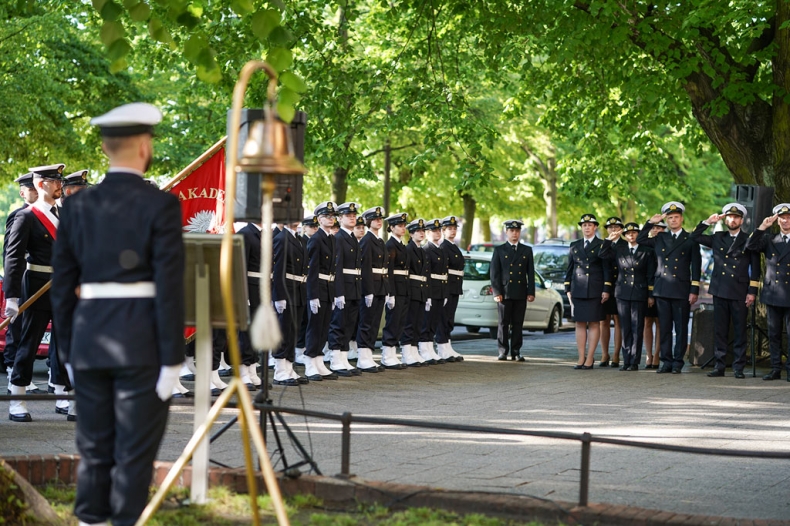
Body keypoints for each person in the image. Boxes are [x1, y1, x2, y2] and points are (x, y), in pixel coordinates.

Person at [50, 102, 185, 526]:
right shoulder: (161, 205)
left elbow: (61, 287)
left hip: (90, 341)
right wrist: (173, 358)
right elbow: (168, 286)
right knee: (134, 452)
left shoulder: (75, 206)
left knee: (93, 447)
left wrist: (68, 348)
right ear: (144, 147)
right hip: (142, 343)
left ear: (107, 150)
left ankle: (90, 519)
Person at [5, 163, 73, 422]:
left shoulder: (64, 214)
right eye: (56, 181)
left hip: (64, 285)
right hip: (37, 284)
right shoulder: (26, 217)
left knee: (65, 343)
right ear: (41, 184)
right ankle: (17, 398)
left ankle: (62, 393)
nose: (60, 185)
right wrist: (11, 298)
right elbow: (13, 259)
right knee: (29, 344)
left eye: (60, 181)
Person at [691, 203, 759, 378]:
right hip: (720, 289)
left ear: (741, 220)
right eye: (729, 217)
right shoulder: (718, 236)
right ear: (725, 219)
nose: (733, 219)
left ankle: (738, 367)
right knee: (719, 330)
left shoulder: (748, 238)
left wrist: (752, 291)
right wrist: (708, 221)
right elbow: (694, 237)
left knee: (739, 331)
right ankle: (719, 366)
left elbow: (755, 267)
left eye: (736, 217)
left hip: (739, 290)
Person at [637, 202, 701, 374]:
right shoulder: (659, 237)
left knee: (680, 328)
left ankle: (678, 361)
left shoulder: (690, 239)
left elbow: (696, 266)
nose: (673, 220)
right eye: (670, 217)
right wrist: (650, 223)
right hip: (662, 288)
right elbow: (640, 239)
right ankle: (666, 361)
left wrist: (694, 290)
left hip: (681, 289)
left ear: (682, 218)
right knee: (664, 327)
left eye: (676, 217)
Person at [3, 172, 45, 395]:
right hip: (23, 277)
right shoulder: (19, 215)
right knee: (18, 327)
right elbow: (11, 253)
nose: (36, 192)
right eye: (31, 189)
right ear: (22, 193)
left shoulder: (48, 215)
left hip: (41, 279)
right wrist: (13, 285)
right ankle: (12, 368)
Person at [600, 222, 656, 370]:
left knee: (637, 327)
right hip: (622, 292)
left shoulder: (647, 251)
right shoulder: (619, 249)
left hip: (639, 291)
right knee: (625, 327)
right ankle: (626, 360)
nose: (631, 235)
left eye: (634, 233)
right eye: (628, 233)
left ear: (638, 234)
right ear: (624, 235)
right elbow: (602, 254)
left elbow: (650, 274)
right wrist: (608, 240)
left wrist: (651, 294)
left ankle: (635, 361)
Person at [745, 203, 790, 381]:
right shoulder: (769, 239)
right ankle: (775, 368)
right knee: (774, 333)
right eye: (782, 218)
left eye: (788, 218)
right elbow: (750, 246)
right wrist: (763, 227)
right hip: (773, 293)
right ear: (777, 220)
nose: (785, 220)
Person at [565, 214, 611, 369]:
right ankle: (580, 357)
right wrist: (567, 288)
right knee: (579, 323)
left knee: (593, 323)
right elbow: (570, 269)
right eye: (584, 225)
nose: (587, 227)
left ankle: (590, 357)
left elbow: (607, 269)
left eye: (590, 225)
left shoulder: (602, 244)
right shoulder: (574, 245)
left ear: (595, 227)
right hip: (578, 289)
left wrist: (606, 289)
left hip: (595, 289)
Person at [490, 220, 536, 361]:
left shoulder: (526, 250)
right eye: (511, 231)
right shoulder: (499, 250)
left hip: (520, 291)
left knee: (517, 323)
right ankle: (503, 351)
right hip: (505, 292)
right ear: (506, 232)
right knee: (503, 323)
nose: (514, 233)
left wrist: (531, 292)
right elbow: (494, 273)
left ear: (520, 232)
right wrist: (497, 292)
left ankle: (516, 351)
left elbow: (530, 273)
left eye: (517, 231)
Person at [303, 202, 339, 381]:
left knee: (324, 327)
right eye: (327, 216)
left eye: (333, 216)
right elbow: (312, 270)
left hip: (328, 288)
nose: (331, 219)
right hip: (318, 288)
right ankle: (310, 362)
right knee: (314, 327)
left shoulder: (332, 239)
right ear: (319, 219)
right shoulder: (316, 239)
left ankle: (319, 361)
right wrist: (313, 295)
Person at [270, 219, 308, 386]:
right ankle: (279, 370)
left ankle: (288, 366)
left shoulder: (297, 238)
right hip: (286, 291)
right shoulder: (281, 238)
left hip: (298, 291)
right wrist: (278, 296)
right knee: (283, 330)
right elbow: (278, 270)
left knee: (293, 330)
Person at [327, 202, 363, 376]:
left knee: (349, 325)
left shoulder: (352, 239)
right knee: (339, 324)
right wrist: (338, 292)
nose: (352, 218)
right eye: (348, 216)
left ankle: (343, 358)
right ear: (339, 218)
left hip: (353, 287)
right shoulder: (339, 238)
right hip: (344, 288)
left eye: (354, 215)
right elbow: (337, 268)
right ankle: (335, 359)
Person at [355, 206, 389, 372]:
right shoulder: (367, 240)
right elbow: (366, 267)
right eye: (375, 219)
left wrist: (386, 289)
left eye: (380, 219)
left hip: (380, 285)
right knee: (367, 322)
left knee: (375, 322)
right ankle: (363, 356)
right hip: (371, 286)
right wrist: (368, 290)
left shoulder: (380, 240)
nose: (379, 221)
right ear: (369, 221)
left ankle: (369, 355)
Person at [380, 212, 410, 369]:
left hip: (403, 288)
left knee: (400, 321)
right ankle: (387, 354)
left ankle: (393, 353)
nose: (403, 228)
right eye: (399, 226)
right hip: (395, 289)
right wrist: (389, 293)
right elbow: (389, 271)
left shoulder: (401, 245)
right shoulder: (390, 246)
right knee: (393, 321)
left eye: (404, 225)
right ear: (391, 228)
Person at [418, 219, 448, 364]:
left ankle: (430, 348)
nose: (438, 233)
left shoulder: (441, 249)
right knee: (426, 321)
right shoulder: (427, 250)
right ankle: (424, 349)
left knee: (434, 321)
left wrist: (445, 292)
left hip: (440, 290)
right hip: (431, 289)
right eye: (434, 231)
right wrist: (427, 294)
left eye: (439, 230)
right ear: (428, 233)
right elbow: (426, 274)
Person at [401, 218, 429, 366]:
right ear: (411, 234)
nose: (421, 233)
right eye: (418, 231)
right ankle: (406, 352)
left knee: (418, 322)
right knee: (410, 322)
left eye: (423, 231)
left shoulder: (421, 250)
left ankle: (413, 350)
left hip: (421, 290)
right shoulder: (409, 249)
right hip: (412, 289)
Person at [437, 215, 465, 362]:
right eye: (450, 229)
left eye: (454, 229)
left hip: (455, 286)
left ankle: (447, 345)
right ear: (443, 230)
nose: (453, 231)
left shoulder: (453, 246)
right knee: (444, 317)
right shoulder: (444, 247)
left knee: (449, 318)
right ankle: (442, 346)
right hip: (448, 286)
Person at [600, 217, 625, 367]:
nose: (613, 230)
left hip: (620, 287)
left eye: (616, 227)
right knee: (604, 321)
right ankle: (604, 354)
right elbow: (601, 255)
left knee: (618, 322)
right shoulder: (605, 244)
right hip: (605, 287)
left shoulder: (624, 244)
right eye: (610, 227)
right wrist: (608, 241)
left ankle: (616, 354)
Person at [295, 214, 319, 366]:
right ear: (304, 228)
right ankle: (298, 350)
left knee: (307, 319)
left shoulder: (315, 241)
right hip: (303, 283)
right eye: (311, 226)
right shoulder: (302, 242)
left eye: (316, 226)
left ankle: (302, 348)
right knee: (302, 319)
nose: (314, 229)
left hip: (309, 284)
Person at [643, 220, 666, 368]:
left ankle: (657, 354)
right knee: (647, 322)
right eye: (655, 227)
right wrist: (649, 293)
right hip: (647, 288)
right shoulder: (647, 245)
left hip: (663, 288)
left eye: (660, 228)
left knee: (659, 323)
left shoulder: (667, 244)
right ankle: (648, 354)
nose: (657, 230)